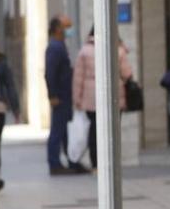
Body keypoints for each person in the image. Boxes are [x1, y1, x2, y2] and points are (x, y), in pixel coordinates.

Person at [72, 26, 133, 169]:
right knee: (113, 130)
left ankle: (95, 164)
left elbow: (78, 78)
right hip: (115, 96)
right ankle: (112, 162)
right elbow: (127, 74)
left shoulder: (85, 51)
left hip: (91, 98)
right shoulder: (118, 50)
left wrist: (77, 99)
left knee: (94, 130)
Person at [44, 16, 84, 175]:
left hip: (65, 96)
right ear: (58, 29)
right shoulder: (54, 47)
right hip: (59, 96)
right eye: (67, 26)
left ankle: (72, 161)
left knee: (65, 131)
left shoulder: (60, 46)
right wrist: (52, 95)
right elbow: (50, 73)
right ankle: (54, 164)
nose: (70, 29)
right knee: (57, 131)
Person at [0, 36, 21, 189]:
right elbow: (10, 86)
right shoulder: (1, 62)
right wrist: (16, 109)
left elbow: (10, 86)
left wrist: (16, 108)